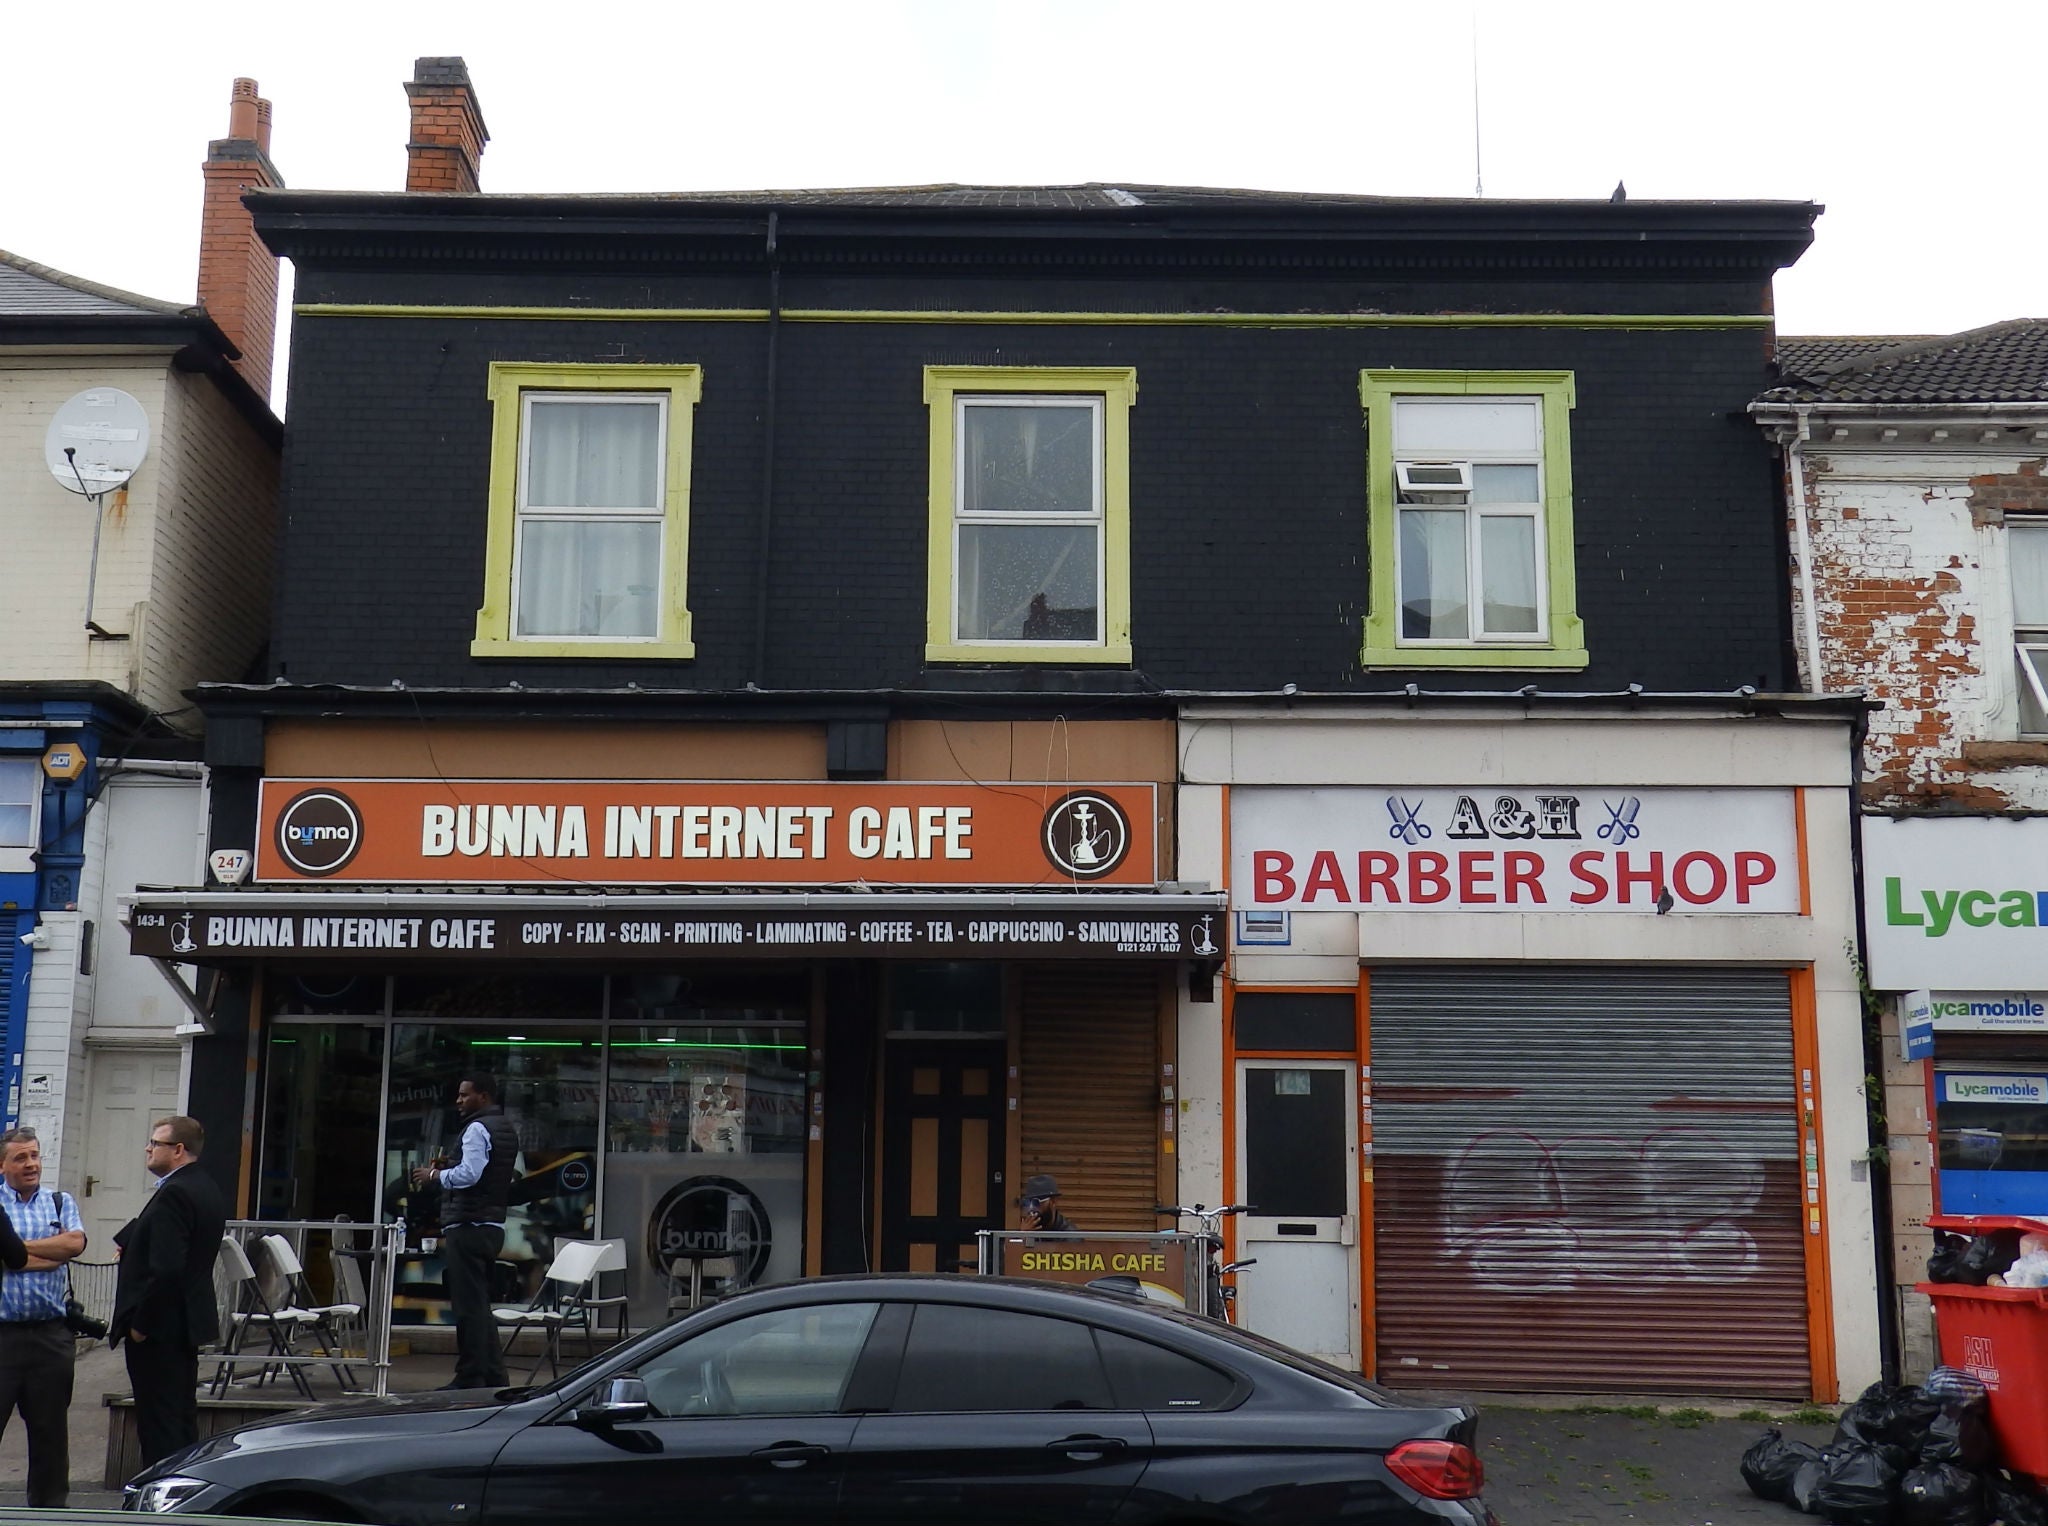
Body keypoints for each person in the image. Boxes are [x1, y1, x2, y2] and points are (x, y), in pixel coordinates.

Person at [111, 1115, 228, 1469]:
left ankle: (163, 1502)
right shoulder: (202, 1186)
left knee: (159, 1423)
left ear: (178, 1150)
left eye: (155, 1143)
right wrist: (130, 1242)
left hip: (160, 1330)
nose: (147, 1148)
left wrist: (140, 1325)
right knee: (178, 1417)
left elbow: (168, 1270)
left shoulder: (175, 1192)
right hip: (183, 1326)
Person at [410, 1073, 517, 1389]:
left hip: (468, 1226)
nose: (458, 1101)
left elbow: (470, 1174)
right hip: (491, 1226)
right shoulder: (505, 1128)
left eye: (464, 1095)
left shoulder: (477, 1129)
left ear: (483, 1096)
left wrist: (434, 1175)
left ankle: (470, 1376)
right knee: (481, 1306)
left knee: (468, 1308)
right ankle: (495, 1376)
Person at [0, 1128, 75, 1506]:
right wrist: (50, 1253)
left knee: (50, 1437)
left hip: (50, 1337)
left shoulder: (59, 1202)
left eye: (34, 1156)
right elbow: (59, 1250)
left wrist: (13, 1249)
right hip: (3, 1338)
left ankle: (49, 1514)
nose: (30, 1164)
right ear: (2, 1165)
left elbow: (74, 1244)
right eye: (20, 1158)